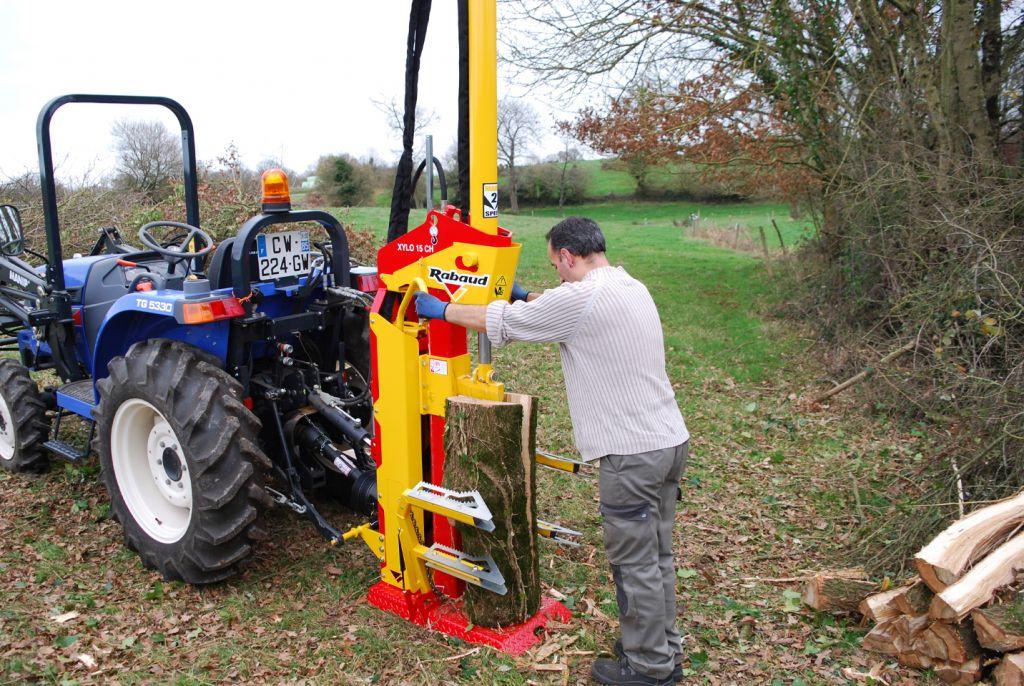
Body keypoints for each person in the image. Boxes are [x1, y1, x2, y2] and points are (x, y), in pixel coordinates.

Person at [414, 216, 690, 685]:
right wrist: (522, 293)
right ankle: (663, 648)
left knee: (634, 564)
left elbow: (501, 321)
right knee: (657, 556)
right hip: (668, 443)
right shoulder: (628, 285)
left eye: (556, 265)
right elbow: (559, 307)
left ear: (567, 255)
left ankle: (649, 668)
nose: (557, 274)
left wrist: (437, 308)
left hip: (631, 455)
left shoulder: (580, 299)